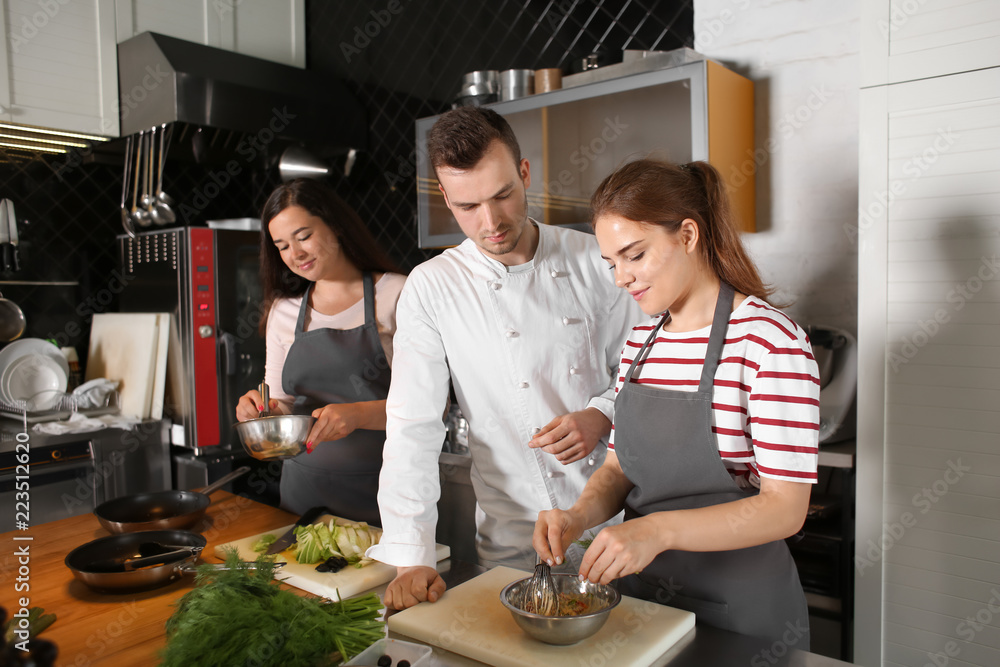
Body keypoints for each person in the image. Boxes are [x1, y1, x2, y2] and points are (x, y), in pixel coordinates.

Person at [533, 158, 819, 646]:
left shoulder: (770, 342)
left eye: (634, 255)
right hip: (642, 602)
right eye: (611, 263)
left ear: (688, 235)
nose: (620, 278)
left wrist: (657, 532)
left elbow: (784, 509)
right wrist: (578, 515)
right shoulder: (641, 342)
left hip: (739, 615)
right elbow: (620, 468)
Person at [367, 107, 643, 609]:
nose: (490, 222)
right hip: (509, 536)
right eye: (468, 206)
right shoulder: (432, 288)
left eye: (502, 196)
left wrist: (600, 414)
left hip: (611, 529)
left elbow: (644, 373)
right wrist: (414, 558)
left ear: (524, 173)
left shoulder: (595, 260)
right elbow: (413, 426)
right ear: (446, 199)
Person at [235, 178, 405, 525]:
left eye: (303, 236)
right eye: (282, 245)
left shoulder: (398, 294)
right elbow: (281, 402)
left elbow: (431, 406)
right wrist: (260, 410)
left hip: (387, 490)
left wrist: (357, 414)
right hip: (303, 493)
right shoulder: (283, 310)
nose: (295, 254)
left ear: (336, 226)